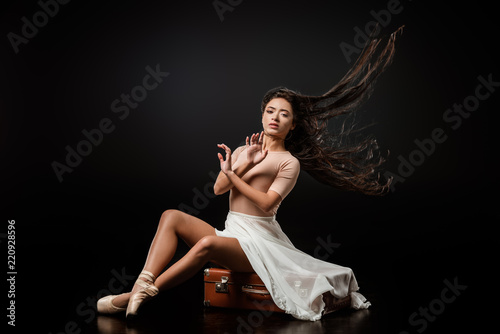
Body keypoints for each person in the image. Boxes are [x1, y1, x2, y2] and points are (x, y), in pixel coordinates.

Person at [97, 26, 403, 321]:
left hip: (258, 243)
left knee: (205, 246)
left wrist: (236, 176)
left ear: (292, 124)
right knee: (171, 216)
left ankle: (137, 297)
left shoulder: (289, 162)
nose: (275, 118)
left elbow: (268, 205)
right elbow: (218, 189)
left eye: (284, 114)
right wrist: (243, 163)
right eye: (270, 111)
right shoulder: (245, 150)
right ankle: (142, 283)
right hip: (232, 232)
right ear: (262, 113)